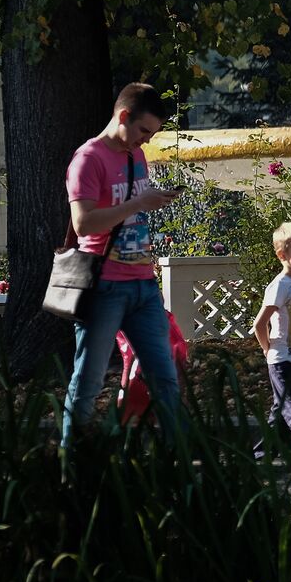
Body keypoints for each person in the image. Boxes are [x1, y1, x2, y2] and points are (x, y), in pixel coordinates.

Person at [62, 83, 184, 445]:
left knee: (165, 378)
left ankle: (182, 464)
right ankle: (72, 461)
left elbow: (133, 209)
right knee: (89, 378)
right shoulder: (88, 158)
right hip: (104, 287)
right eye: (143, 131)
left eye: (152, 135)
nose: (145, 141)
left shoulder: (136, 156)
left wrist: (152, 201)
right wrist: (138, 204)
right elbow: (83, 223)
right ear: (123, 116)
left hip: (143, 285)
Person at [252, 222, 291, 442]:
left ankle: (260, 458)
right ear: (282, 255)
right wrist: (268, 350)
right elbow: (260, 324)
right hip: (283, 359)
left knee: (281, 412)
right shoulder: (281, 285)